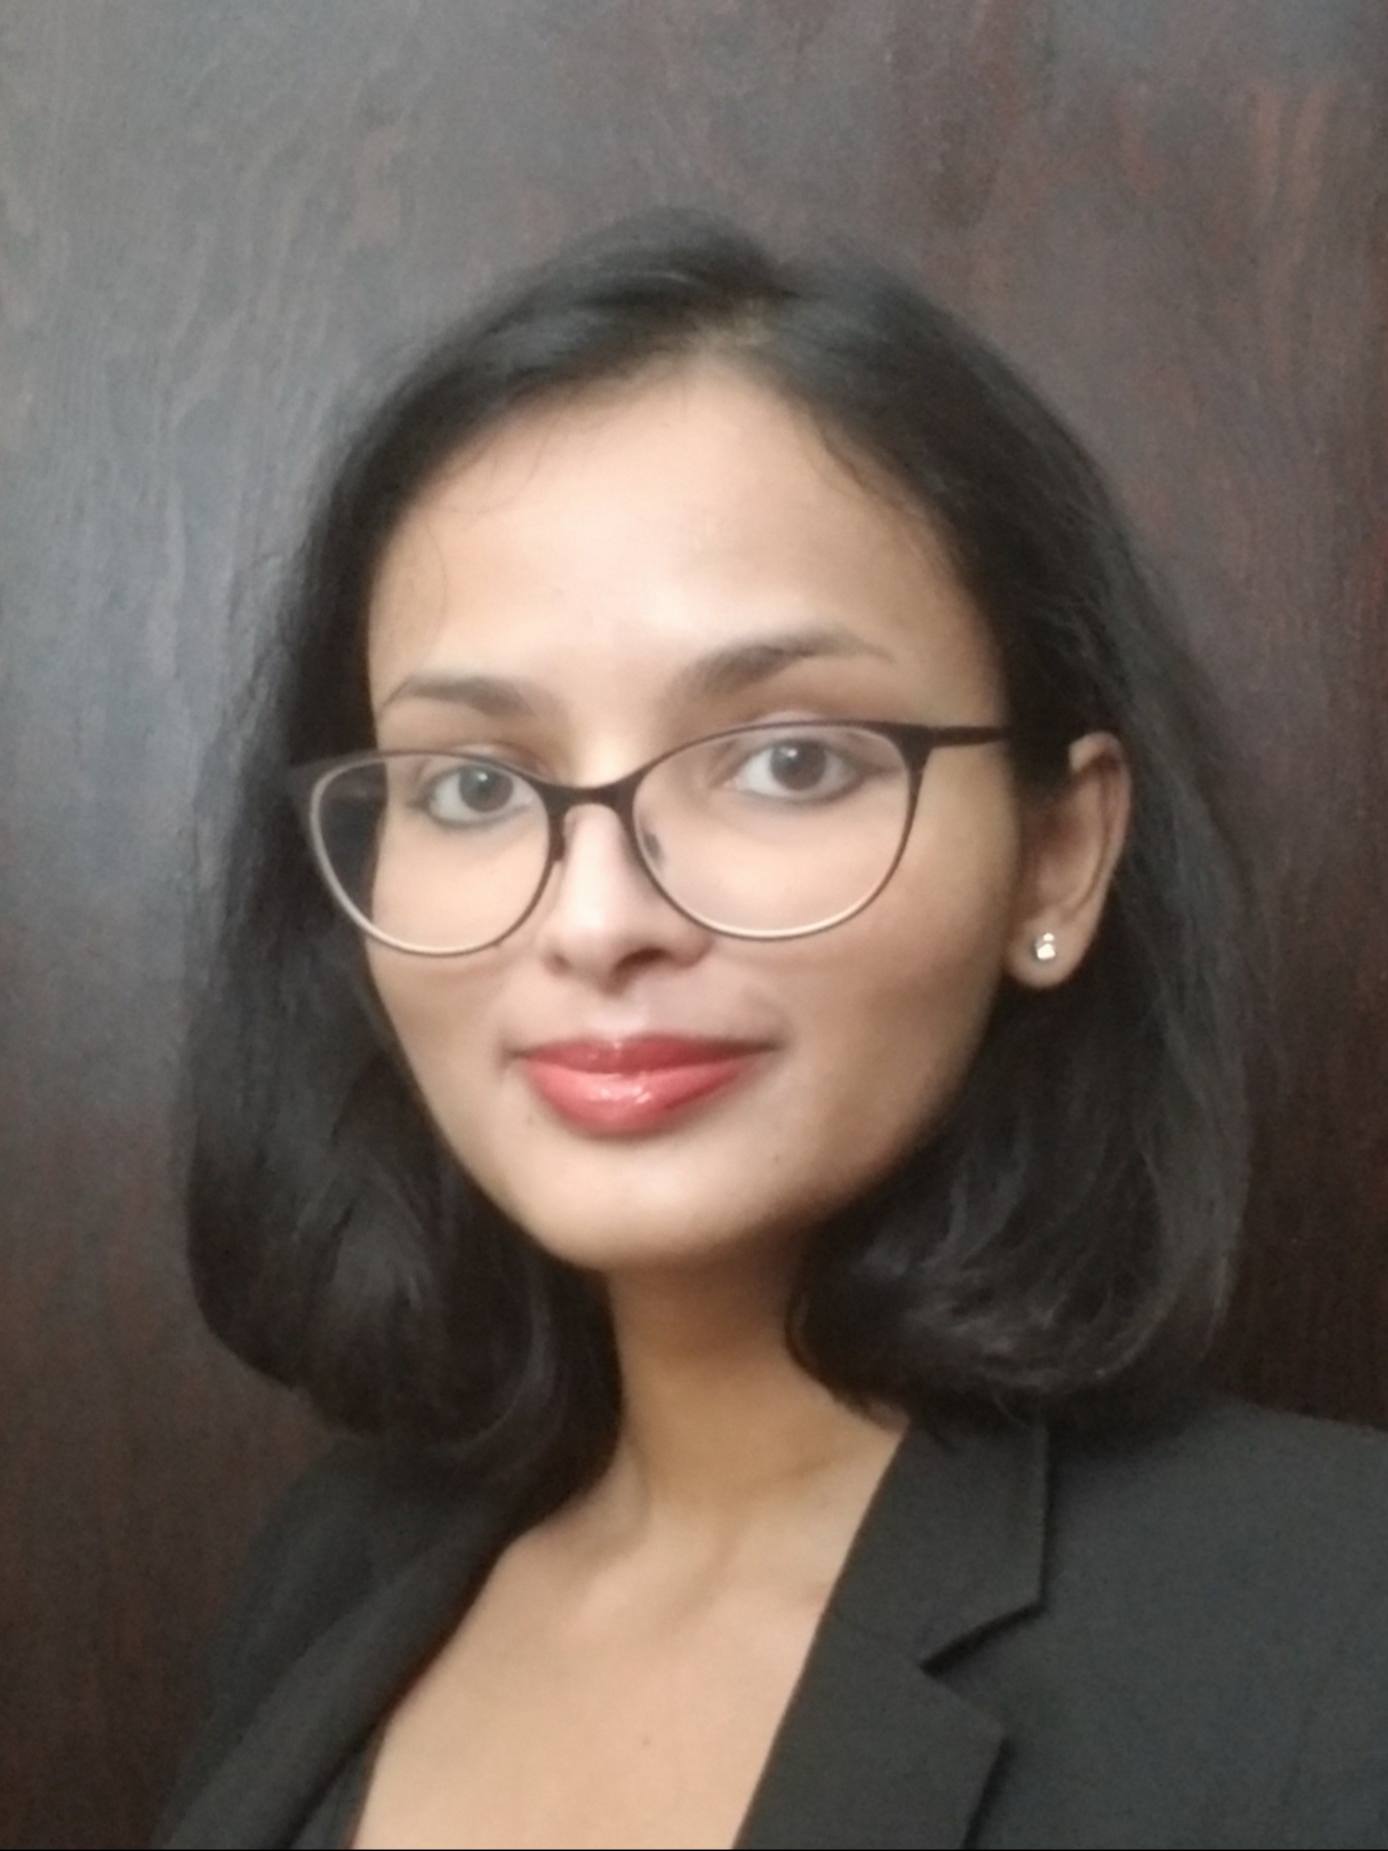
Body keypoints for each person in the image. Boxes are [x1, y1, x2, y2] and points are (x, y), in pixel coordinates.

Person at [159, 217, 1388, 1851]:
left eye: (788, 760)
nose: (597, 917)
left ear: (1057, 854)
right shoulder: (336, 1562)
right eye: (469, 784)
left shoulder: (1334, 1625)